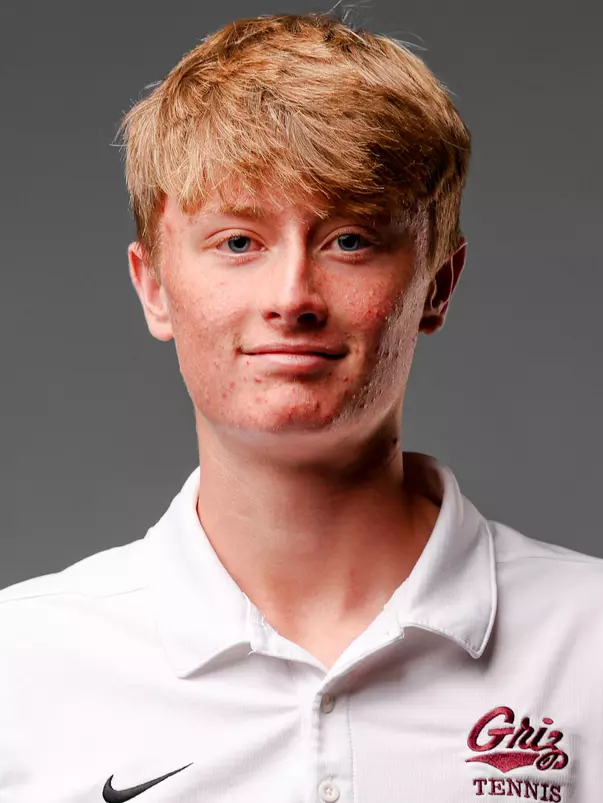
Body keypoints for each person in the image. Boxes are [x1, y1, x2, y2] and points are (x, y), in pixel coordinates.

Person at [0, 11, 601, 803]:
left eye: (349, 239)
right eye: (238, 242)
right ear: (154, 287)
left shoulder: (587, 644)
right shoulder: (22, 665)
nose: (292, 298)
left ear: (437, 285)